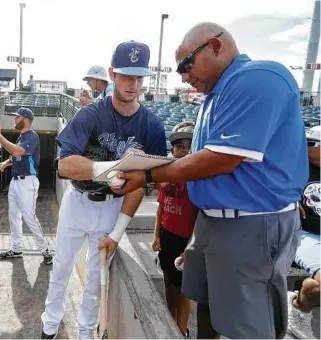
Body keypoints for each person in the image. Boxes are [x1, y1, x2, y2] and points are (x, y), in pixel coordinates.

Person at [115, 22, 308, 339]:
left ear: (215, 47)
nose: (184, 77)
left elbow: (220, 159)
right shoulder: (214, 96)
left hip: (252, 222)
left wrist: (148, 174)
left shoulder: (259, 77)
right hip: (212, 222)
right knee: (207, 305)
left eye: (185, 66)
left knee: (247, 329)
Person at [40, 40, 166, 339]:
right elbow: (64, 165)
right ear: (112, 74)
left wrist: (118, 231)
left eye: (139, 77)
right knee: (61, 268)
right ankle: (49, 326)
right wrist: (109, 170)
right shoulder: (91, 114)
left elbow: (145, 183)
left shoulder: (152, 125)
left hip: (113, 206)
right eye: (126, 76)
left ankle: (85, 332)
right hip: (79, 200)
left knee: (96, 279)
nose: (133, 84)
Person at [0, 107, 53, 265]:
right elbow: (16, 156)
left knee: (29, 218)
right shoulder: (22, 137)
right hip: (15, 182)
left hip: (27, 182)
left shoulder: (32, 136)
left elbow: (18, 152)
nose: (15, 120)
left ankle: (45, 250)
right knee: (14, 218)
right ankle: (16, 249)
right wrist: (6, 162)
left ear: (27, 119)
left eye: (18, 117)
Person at [152, 122, 197, 338]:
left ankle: (182, 330)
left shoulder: (197, 179)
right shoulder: (168, 178)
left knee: (183, 289)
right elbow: (161, 208)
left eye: (189, 146)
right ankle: (170, 322)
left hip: (185, 240)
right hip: (167, 235)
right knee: (168, 281)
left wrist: (189, 248)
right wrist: (155, 235)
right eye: (179, 146)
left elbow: (200, 218)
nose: (183, 150)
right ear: (172, 150)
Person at [292, 125, 320, 313]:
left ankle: (303, 300)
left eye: (311, 143)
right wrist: (288, 199)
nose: (305, 147)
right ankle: (299, 303)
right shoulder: (294, 166)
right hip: (305, 234)